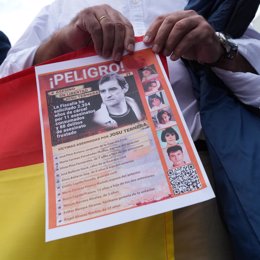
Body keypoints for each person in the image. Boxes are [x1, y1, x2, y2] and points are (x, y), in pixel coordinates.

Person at [1, 0, 260, 259]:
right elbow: (8, 91)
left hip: (187, 187)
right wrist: (58, 45)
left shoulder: (206, 4)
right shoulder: (60, 10)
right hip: (83, 192)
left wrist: (220, 49)